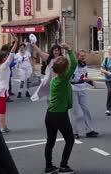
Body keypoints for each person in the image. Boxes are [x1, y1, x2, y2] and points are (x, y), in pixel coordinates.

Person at [44, 43, 77, 174]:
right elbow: (74, 64)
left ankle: (48, 167)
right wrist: (69, 49)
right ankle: (63, 166)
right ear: (65, 69)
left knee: (50, 141)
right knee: (70, 140)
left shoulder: (55, 79)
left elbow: (71, 65)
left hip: (50, 114)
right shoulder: (63, 79)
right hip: (59, 115)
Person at [70, 50, 99, 139]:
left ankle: (89, 130)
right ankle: (74, 132)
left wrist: (90, 81)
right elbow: (71, 79)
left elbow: (84, 77)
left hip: (82, 89)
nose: (83, 57)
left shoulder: (84, 65)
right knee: (74, 112)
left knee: (86, 110)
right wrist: (84, 80)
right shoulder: (73, 65)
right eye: (81, 56)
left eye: (84, 56)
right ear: (77, 56)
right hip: (73, 89)